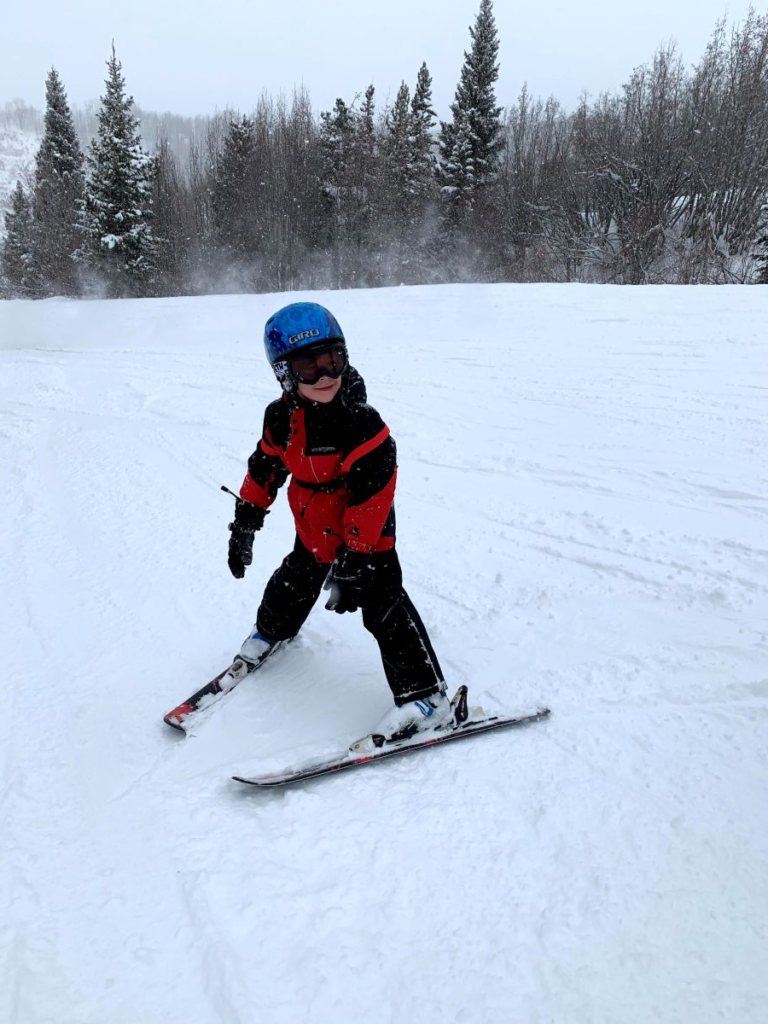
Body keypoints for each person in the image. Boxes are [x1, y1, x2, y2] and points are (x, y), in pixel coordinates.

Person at [226, 301, 450, 742]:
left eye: (332, 360)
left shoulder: (361, 425)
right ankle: (271, 632)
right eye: (308, 367)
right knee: (292, 583)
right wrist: (246, 520)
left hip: (367, 540)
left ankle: (425, 699)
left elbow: (372, 497)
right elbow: (265, 468)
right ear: (285, 375)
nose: (324, 375)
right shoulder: (280, 418)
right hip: (312, 531)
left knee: (384, 607)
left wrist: (356, 557)